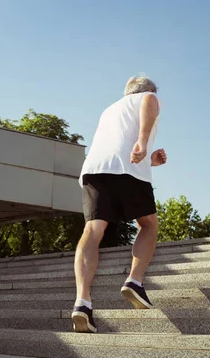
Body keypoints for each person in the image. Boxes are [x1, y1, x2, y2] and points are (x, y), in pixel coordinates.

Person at [71, 75, 167, 333]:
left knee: (92, 231)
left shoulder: (110, 110)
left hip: (94, 170)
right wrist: (144, 142)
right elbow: (148, 101)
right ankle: (135, 281)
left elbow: (115, 144)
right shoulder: (148, 97)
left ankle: (82, 303)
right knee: (148, 225)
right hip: (128, 169)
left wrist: (150, 160)